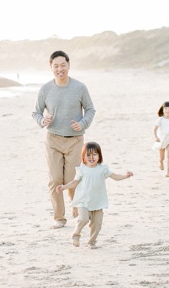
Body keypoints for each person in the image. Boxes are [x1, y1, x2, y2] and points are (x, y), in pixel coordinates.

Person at [31, 50, 96, 228]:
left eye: (63, 65)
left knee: (72, 179)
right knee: (55, 179)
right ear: (51, 67)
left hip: (75, 140)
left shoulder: (79, 87)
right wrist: (42, 121)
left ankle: (77, 206)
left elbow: (90, 109)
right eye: (56, 66)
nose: (60, 69)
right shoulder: (45, 89)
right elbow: (36, 112)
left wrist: (83, 123)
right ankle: (59, 218)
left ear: (68, 65)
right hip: (53, 139)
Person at [56, 141, 133, 247]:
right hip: (84, 201)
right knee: (83, 219)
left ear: (99, 155)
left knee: (97, 225)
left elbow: (115, 176)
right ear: (83, 156)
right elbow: (74, 182)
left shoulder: (102, 169)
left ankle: (91, 242)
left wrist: (125, 176)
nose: (91, 157)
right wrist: (64, 187)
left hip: (98, 201)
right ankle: (76, 234)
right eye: (88, 155)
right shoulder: (82, 170)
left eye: (94, 154)